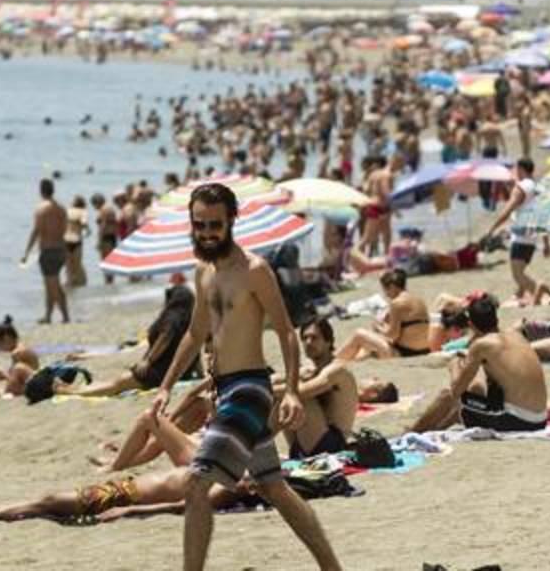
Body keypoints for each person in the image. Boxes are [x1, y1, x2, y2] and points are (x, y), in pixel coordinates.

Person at [150, 182, 341, 571]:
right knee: (274, 486)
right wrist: (165, 386)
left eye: (214, 224)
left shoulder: (255, 270)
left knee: (197, 482)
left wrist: (290, 392)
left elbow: (287, 331)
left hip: (250, 389)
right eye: (199, 224)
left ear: (232, 220)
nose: (206, 232)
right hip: (225, 391)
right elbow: (194, 333)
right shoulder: (202, 271)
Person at [409, 293, 548, 433]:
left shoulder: (482, 345)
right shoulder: (516, 335)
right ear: (496, 318)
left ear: (470, 325)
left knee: (448, 395)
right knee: (468, 405)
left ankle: (412, 432)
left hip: (517, 421)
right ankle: (434, 430)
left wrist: (454, 366)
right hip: (540, 419)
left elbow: (457, 390)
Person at [0, 466, 254, 525]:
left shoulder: (226, 488)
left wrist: (128, 512)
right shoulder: (228, 470)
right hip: (122, 487)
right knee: (48, 501)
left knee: (49, 501)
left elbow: (178, 507)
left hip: (120, 497)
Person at [57, 285, 202, 397]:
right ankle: (76, 389)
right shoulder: (191, 323)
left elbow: (165, 337)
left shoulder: (172, 319)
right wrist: (199, 373)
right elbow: (195, 350)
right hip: (176, 372)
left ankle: (72, 392)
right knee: (117, 381)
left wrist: (148, 361)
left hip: (160, 371)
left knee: (116, 384)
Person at [279, 319, 358, 459]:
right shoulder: (309, 370)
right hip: (304, 444)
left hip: (332, 445)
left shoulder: (337, 370)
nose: (308, 342)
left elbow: (301, 392)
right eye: (304, 338)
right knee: (282, 392)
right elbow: (276, 379)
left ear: (328, 342)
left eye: (314, 338)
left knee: (296, 396)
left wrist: (260, 390)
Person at [479, 158, 548, 304]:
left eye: (516, 169)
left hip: (521, 237)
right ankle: (522, 293)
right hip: (532, 237)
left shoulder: (521, 187)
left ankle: (539, 290)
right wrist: (546, 242)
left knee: (517, 274)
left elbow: (508, 209)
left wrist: (492, 228)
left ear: (521, 169)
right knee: (520, 272)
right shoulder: (537, 187)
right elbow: (542, 216)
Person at [335, 269, 432, 360]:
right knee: (369, 344)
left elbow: (393, 335)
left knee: (359, 334)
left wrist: (378, 327)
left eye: (386, 290)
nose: (386, 295)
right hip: (424, 350)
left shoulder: (397, 303)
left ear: (392, 287)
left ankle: (336, 358)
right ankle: (351, 359)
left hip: (404, 353)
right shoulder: (419, 300)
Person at [20, 178, 70, 324]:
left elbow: (37, 230)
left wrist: (27, 252)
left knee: (53, 285)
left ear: (41, 190)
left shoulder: (41, 209)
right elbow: (64, 229)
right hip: (61, 248)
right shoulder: (61, 209)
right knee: (51, 284)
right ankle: (48, 316)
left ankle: (65, 316)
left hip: (48, 250)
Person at [91, 193, 119, 284]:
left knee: (106, 263)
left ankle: (108, 283)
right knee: (111, 263)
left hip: (106, 238)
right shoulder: (111, 209)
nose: (95, 208)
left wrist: (98, 241)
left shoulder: (103, 210)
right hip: (112, 238)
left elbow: (103, 226)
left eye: (94, 205)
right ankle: (110, 283)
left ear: (97, 202)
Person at [64, 195, 90, 288]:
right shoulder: (83, 212)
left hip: (65, 241)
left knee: (68, 267)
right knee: (77, 266)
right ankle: (79, 289)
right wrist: (88, 231)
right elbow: (84, 224)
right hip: (76, 240)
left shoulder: (67, 211)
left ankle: (69, 289)